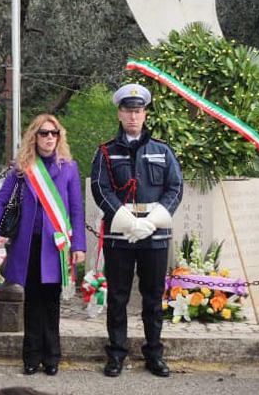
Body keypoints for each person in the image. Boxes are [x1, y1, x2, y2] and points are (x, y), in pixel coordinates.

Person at [91, 83, 183, 379]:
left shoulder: (163, 151)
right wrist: (127, 221)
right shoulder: (106, 152)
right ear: (119, 113)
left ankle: (154, 353)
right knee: (117, 296)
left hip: (154, 236)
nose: (133, 116)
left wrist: (151, 221)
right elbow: (100, 188)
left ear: (145, 114)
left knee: (153, 297)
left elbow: (175, 188)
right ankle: (117, 353)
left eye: (139, 111)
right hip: (120, 235)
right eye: (128, 111)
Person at [0, 115, 87, 375]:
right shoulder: (22, 167)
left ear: (60, 136)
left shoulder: (69, 167)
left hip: (56, 245)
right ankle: (31, 357)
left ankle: (52, 357)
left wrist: (79, 246)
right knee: (31, 302)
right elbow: (0, 200)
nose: (50, 137)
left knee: (51, 302)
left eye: (54, 133)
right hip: (28, 243)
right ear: (34, 136)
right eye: (44, 133)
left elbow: (76, 208)